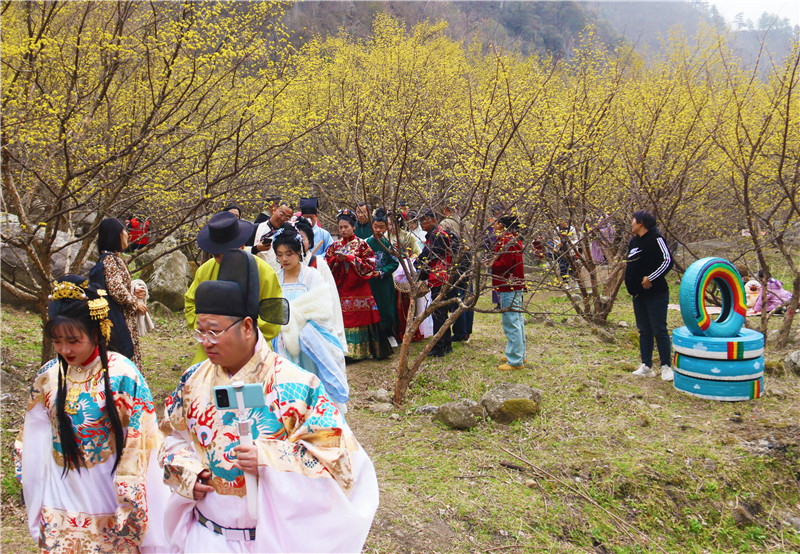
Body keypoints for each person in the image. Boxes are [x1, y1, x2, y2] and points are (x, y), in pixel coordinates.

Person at [159, 251, 379, 552]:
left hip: (272, 540)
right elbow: (172, 439)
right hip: (205, 537)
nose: (206, 342)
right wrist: (185, 471)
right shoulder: (192, 381)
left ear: (248, 327)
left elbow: (338, 460)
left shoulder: (298, 386)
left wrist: (269, 458)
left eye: (214, 332)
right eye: (201, 332)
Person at [14, 276, 166, 552]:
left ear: (97, 333)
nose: (65, 350)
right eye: (57, 341)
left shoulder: (123, 374)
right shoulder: (49, 376)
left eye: (73, 340)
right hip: (60, 494)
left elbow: (140, 441)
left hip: (108, 495)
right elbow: (32, 441)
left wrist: (128, 496)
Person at [185, 211, 282, 364]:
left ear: (242, 246)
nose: (220, 260)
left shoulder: (264, 272)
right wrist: (209, 331)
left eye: (225, 254)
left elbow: (272, 318)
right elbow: (190, 302)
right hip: (211, 353)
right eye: (216, 255)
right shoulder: (205, 270)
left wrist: (238, 334)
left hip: (252, 351)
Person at [271, 224, 349, 413]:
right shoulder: (275, 278)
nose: (284, 259)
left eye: (289, 253)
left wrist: (300, 322)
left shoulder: (311, 276)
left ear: (299, 251)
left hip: (310, 343)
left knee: (314, 386)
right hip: (284, 343)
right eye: (279, 254)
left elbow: (323, 310)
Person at [326, 209, 392, 360]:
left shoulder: (362, 244)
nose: (343, 230)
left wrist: (350, 258)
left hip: (359, 287)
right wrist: (336, 260)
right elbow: (327, 263)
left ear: (353, 227)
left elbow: (371, 264)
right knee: (344, 318)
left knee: (364, 317)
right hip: (342, 288)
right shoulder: (334, 246)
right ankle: (347, 352)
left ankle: (365, 351)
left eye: (346, 227)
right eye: (340, 227)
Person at [90, 218, 147, 368]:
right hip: (119, 319)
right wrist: (135, 303)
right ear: (115, 236)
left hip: (120, 317)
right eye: (124, 232)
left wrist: (132, 290)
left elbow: (113, 285)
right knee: (125, 358)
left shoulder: (113, 259)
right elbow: (116, 290)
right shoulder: (110, 260)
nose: (127, 235)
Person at [625, 210, 674, 381]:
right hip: (638, 295)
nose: (631, 223)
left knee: (659, 329)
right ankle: (646, 365)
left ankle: (666, 366)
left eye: (633, 220)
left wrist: (650, 278)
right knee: (644, 330)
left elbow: (668, 261)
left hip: (656, 293)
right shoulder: (634, 242)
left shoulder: (656, 239)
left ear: (640, 222)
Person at [416, 210, 455, 357]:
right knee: (441, 312)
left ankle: (439, 347)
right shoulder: (435, 235)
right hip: (438, 277)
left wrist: (418, 264)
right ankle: (446, 344)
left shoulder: (439, 236)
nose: (422, 224)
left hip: (440, 277)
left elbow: (431, 255)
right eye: (421, 221)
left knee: (439, 313)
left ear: (433, 220)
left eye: (425, 220)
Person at [491, 215, 527, 370]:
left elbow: (504, 264)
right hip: (516, 284)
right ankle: (517, 353)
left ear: (502, 225)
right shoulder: (514, 239)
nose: (494, 225)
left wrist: (491, 262)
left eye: (496, 222)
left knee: (511, 322)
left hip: (508, 285)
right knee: (517, 320)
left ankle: (515, 360)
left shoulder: (505, 241)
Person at [366, 208, 400, 347]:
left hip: (385, 282)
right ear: (371, 227)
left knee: (387, 308)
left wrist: (381, 272)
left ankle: (389, 335)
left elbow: (395, 262)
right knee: (373, 309)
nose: (378, 230)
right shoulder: (366, 243)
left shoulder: (389, 244)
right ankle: (374, 338)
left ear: (387, 228)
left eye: (382, 227)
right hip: (370, 283)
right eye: (376, 227)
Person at [250, 201, 294, 272]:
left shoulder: (288, 235)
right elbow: (244, 251)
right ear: (274, 210)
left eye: (287, 218)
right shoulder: (255, 229)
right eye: (281, 214)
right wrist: (256, 249)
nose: (282, 219)